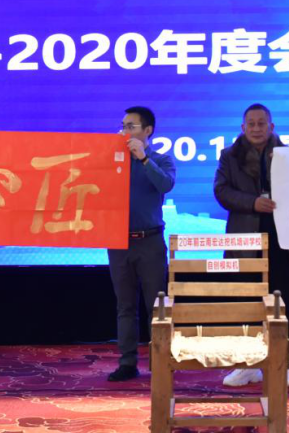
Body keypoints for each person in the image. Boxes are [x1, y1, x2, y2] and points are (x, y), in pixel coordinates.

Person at [213, 103, 289, 388]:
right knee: (247, 304)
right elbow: (221, 191)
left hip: (284, 242)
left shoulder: (288, 155)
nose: (256, 128)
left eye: (261, 123)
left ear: (271, 126)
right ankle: (249, 365)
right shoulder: (229, 156)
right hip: (245, 239)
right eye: (251, 124)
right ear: (243, 128)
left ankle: (286, 363)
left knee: (282, 303)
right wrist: (252, 203)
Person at [106, 106, 176, 382]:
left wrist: (144, 159)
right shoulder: (113, 161)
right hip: (118, 242)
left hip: (150, 242)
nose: (125, 130)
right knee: (125, 306)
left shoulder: (161, 160)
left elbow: (166, 185)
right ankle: (127, 362)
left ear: (148, 131)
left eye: (131, 126)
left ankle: (160, 361)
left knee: (156, 306)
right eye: (123, 125)